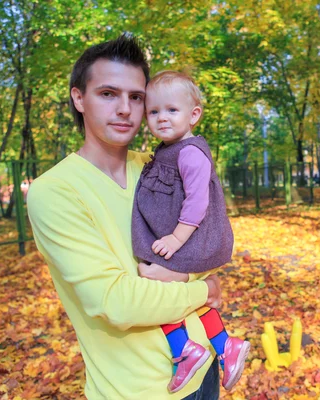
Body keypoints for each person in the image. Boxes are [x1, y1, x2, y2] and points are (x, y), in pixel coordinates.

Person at [27, 35, 223, 399]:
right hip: (140, 390)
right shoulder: (54, 190)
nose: (124, 109)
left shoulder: (157, 166)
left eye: (136, 97)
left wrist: (188, 272)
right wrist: (204, 288)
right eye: (107, 94)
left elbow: (207, 236)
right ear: (78, 98)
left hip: (206, 366)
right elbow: (115, 302)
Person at [131, 71, 250, 393]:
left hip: (194, 238)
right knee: (180, 295)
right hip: (187, 238)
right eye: (154, 112)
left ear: (193, 115)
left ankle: (183, 348)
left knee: (154, 280)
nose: (162, 118)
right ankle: (224, 344)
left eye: (172, 110)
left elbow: (198, 201)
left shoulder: (190, 153)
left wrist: (176, 238)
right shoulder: (166, 151)